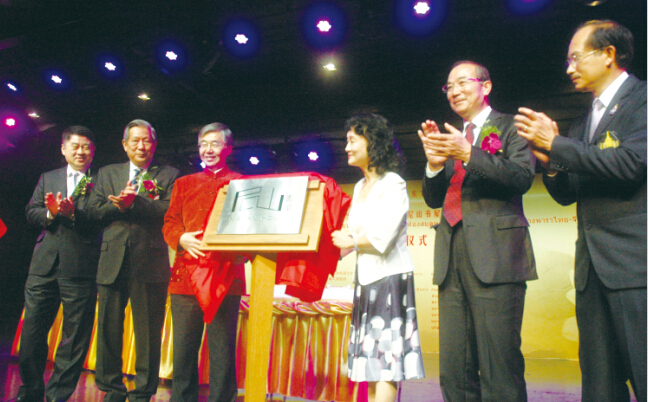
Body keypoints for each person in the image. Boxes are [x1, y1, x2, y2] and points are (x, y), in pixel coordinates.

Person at [515, 20, 646, 402]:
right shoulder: (583, 121)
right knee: (600, 385)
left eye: (576, 57)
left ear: (608, 54)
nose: (569, 67)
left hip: (634, 267)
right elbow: (569, 194)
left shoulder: (642, 100)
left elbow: (631, 164)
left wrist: (557, 144)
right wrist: (552, 164)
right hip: (591, 272)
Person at [418, 61, 537, 401]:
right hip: (451, 256)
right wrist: (434, 165)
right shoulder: (451, 139)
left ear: (486, 87)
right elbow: (434, 199)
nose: (453, 91)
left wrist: (469, 153)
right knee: (455, 368)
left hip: (496, 258)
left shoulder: (511, 127)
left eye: (461, 83)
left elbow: (521, 177)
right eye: (448, 86)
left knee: (500, 367)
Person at [332, 113, 425, 402]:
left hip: (389, 280)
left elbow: (382, 238)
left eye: (352, 141)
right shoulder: (360, 186)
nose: (346, 148)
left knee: (386, 363)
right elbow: (352, 237)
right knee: (370, 362)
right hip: (366, 279)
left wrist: (349, 242)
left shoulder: (392, 183)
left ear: (371, 142)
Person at [87, 119, 180, 402]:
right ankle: (111, 389)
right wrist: (119, 206)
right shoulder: (107, 172)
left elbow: (170, 210)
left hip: (150, 262)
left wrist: (135, 203)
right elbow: (93, 210)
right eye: (135, 141)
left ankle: (142, 392)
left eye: (146, 140)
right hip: (111, 261)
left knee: (148, 334)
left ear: (154, 144)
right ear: (125, 145)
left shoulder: (169, 174)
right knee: (108, 330)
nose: (141, 146)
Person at [14, 126, 101, 402]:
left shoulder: (100, 180)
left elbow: (102, 218)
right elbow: (31, 211)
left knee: (74, 339)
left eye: (86, 147)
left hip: (81, 266)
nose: (80, 151)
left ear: (93, 151)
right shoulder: (48, 177)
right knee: (31, 334)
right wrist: (50, 215)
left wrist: (74, 214)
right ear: (63, 149)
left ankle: (57, 396)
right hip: (44, 266)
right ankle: (30, 391)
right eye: (75, 146)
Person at [162, 123, 246, 402]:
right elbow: (170, 223)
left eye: (215, 144)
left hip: (226, 277)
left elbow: (251, 227)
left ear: (228, 148)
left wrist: (241, 252)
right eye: (203, 144)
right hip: (185, 277)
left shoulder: (242, 183)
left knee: (223, 351)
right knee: (183, 351)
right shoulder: (184, 183)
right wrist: (181, 238)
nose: (208, 150)